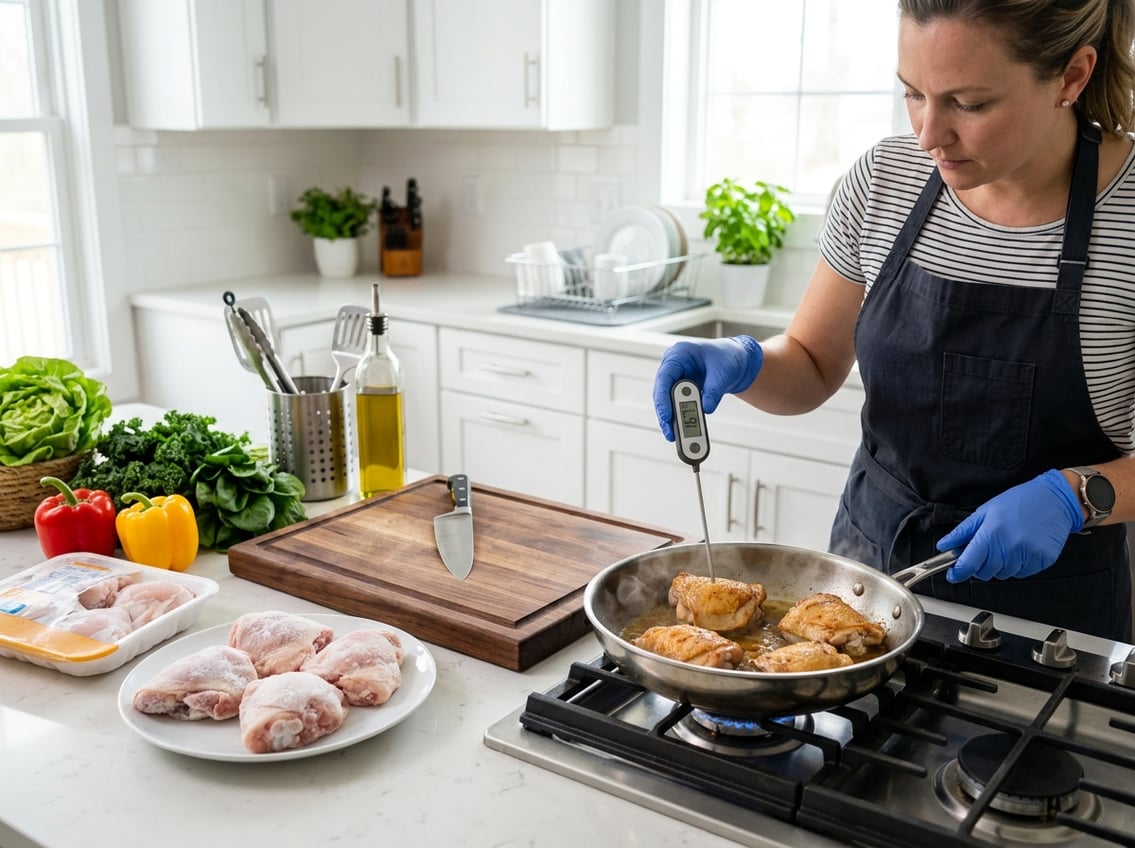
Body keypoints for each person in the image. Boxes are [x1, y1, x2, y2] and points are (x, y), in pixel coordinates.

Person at [653, 0, 1135, 641]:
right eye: (913, 94)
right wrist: (747, 363)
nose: (929, 133)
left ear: (1072, 77)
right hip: (861, 589)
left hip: (1050, 625)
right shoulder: (885, 179)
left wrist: (1076, 497)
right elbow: (814, 361)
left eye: (969, 104)